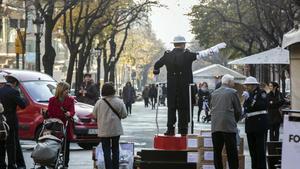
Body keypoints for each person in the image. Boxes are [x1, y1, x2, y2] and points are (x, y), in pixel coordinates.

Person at [153, 35, 226, 136]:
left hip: (172, 87)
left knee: (171, 108)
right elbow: (202, 54)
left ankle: (170, 129)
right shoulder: (187, 55)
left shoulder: (167, 55)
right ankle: (183, 130)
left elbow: (157, 65)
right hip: (185, 87)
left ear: (174, 44)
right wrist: (215, 48)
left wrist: (156, 75)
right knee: (183, 109)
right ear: (183, 44)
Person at [93, 82, 127, 169]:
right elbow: (124, 115)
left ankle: (108, 167)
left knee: (106, 150)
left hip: (104, 130)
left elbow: (94, 115)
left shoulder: (99, 103)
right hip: (115, 129)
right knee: (116, 149)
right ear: (113, 91)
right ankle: (116, 167)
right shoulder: (119, 102)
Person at [210, 74, 242, 169]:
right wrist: (234, 121)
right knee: (231, 152)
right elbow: (238, 110)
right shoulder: (232, 92)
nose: (234, 83)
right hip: (228, 126)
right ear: (228, 82)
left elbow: (212, 108)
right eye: (233, 81)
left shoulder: (214, 93)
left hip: (215, 126)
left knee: (217, 151)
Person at [0, 75, 27, 169]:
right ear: (15, 83)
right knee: (11, 144)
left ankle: (2, 164)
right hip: (11, 121)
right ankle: (12, 164)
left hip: (1, 121)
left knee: (1, 143)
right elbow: (23, 105)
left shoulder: (0, 90)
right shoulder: (14, 92)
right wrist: (22, 97)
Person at [47, 82, 75, 168]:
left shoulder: (70, 100)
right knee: (55, 145)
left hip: (66, 125)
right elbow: (50, 112)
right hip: (56, 125)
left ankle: (65, 163)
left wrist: (69, 113)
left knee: (66, 146)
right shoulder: (52, 100)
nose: (68, 91)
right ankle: (53, 161)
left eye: (68, 89)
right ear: (61, 90)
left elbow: (72, 111)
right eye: (66, 89)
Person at [243, 76, 268, 169]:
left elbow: (261, 106)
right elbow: (247, 108)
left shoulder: (262, 93)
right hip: (250, 126)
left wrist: (249, 99)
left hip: (259, 125)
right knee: (252, 152)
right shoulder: (249, 94)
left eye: (248, 85)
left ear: (253, 85)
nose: (246, 87)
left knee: (260, 151)